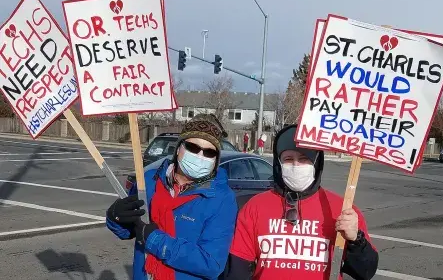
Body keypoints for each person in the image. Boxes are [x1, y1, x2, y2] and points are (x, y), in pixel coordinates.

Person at [222, 124, 378, 280]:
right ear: (279, 163)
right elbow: (238, 270)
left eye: (304, 159)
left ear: (316, 163)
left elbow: (365, 272)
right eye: (288, 159)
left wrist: (356, 240)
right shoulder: (255, 207)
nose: (296, 165)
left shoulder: (342, 210)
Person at [106, 113, 238, 280]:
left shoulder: (222, 199)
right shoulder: (149, 180)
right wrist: (115, 217)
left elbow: (211, 263)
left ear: (216, 160)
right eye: (192, 147)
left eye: (209, 152)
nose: (200, 155)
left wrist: (156, 241)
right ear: (179, 148)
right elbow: (130, 230)